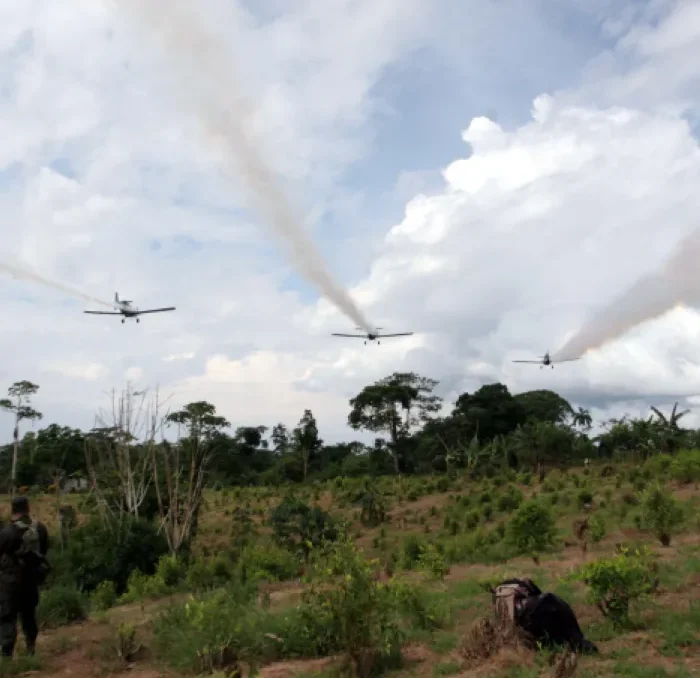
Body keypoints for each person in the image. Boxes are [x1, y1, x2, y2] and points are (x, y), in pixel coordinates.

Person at [0, 496, 50, 658]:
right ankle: (31, 648)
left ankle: (7, 654)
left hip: (10, 582)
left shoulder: (7, 533)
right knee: (29, 615)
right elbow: (43, 551)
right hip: (31, 581)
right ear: (28, 508)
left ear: (12, 510)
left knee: (8, 617)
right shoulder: (40, 528)